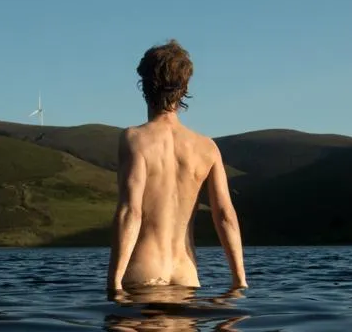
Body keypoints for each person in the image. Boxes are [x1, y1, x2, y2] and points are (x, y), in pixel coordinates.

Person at [106, 40, 248, 296]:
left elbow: (131, 211)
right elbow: (225, 215)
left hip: (143, 272)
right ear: (185, 88)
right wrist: (240, 279)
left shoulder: (135, 139)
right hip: (186, 275)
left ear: (145, 85)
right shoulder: (207, 147)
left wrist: (114, 282)